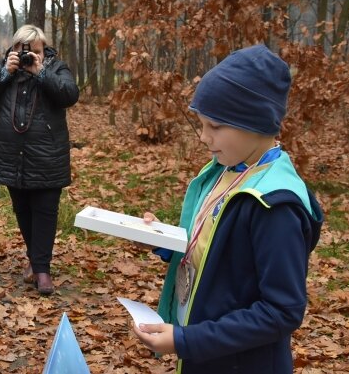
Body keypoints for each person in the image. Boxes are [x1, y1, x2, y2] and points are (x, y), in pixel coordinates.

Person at [132, 45, 324, 373]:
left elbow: (282, 311)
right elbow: (215, 249)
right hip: (205, 353)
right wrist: (163, 241)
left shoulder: (274, 206)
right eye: (202, 124)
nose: (204, 137)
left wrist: (184, 341)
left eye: (216, 126)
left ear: (257, 122)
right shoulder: (228, 169)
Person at [0, 25, 79, 296]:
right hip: (12, 154)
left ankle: (42, 269)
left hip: (47, 155)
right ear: (14, 49)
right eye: (24, 50)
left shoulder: (56, 68)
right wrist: (3, 74)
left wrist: (41, 72)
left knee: (45, 209)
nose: (29, 55)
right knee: (22, 209)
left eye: (36, 50)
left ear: (45, 50)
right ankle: (36, 261)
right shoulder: (2, 66)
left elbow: (70, 95)